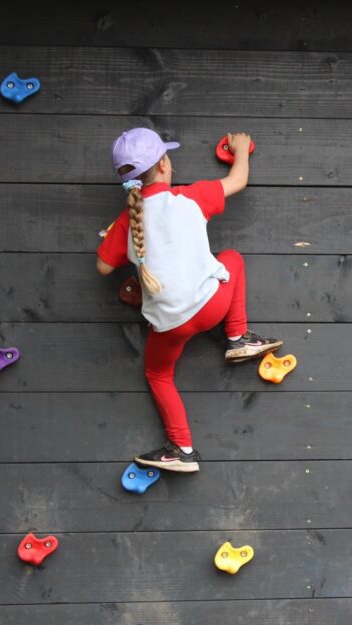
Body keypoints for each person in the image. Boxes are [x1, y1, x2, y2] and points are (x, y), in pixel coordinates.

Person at [96, 128, 281, 473]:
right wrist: (241, 149)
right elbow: (237, 180)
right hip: (212, 306)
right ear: (165, 164)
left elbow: (104, 266)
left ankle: (182, 449)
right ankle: (238, 337)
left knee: (158, 375)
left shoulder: (126, 222)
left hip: (170, 326)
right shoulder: (190, 197)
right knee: (232, 258)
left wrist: (117, 234)